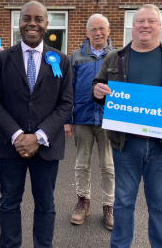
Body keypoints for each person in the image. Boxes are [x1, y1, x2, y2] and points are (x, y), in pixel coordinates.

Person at [91, 4, 162, 248]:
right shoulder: (114, 57)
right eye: (140, 21)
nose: (145, 25)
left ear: (159, 27)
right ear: (132, 26)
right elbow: (98, 86)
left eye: (151, 21)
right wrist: (97, 91)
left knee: (161, 207)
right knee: (123, 203)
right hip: (125, 145)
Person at [0, 1, 73, 248]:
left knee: (45, 203)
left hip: (46, 147)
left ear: (46, 24)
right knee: (9, 202)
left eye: (38, 19)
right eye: (26, 18)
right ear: (19, 22)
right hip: (9, 146)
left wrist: (39, 136)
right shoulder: (2, 59)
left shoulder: (61, 61)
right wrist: (17, 135)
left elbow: (65, 104)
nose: (32, 23)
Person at [65, 13, 115, 229]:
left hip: (109, 121)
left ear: (108, 31)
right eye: (93, 29)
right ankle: (82, 203)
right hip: (82, 118)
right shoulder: (76, 57)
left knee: (108, 166)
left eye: (101, 28)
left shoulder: (118, 57)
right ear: (87, 33)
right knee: (81, 164)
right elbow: (67, 91)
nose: (98, 33)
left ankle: (109, 207)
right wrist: (68, 119)